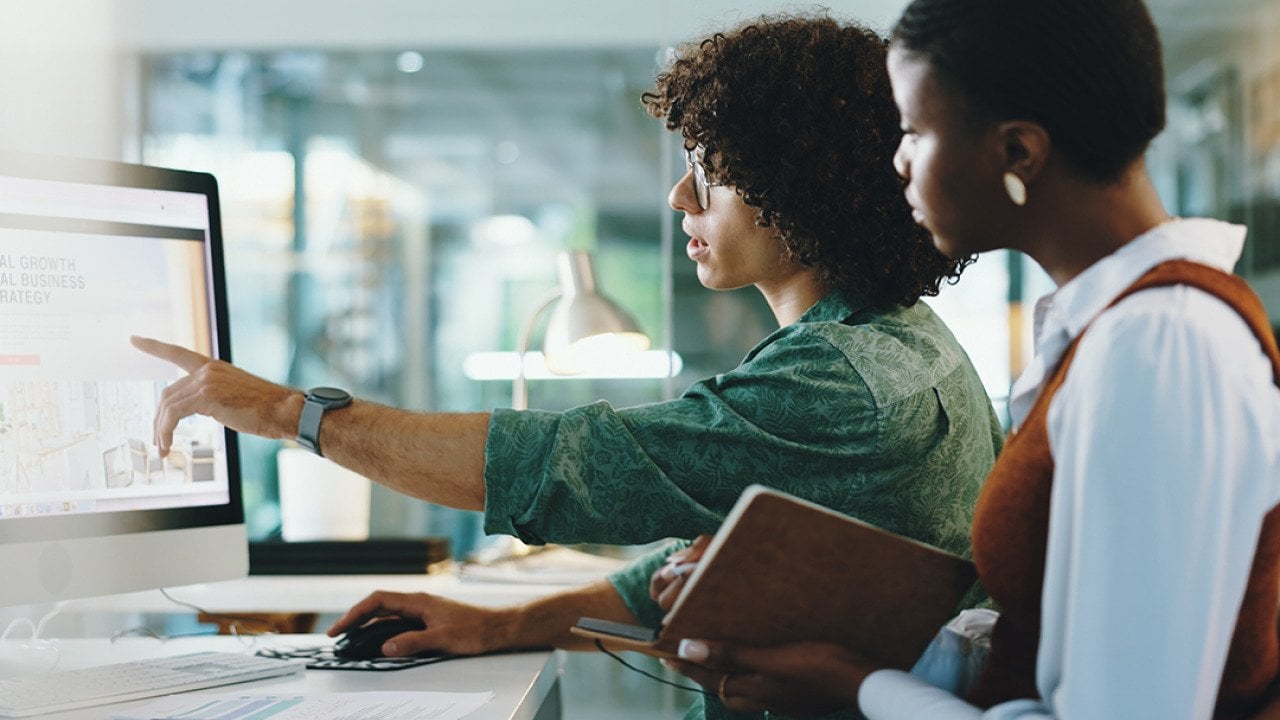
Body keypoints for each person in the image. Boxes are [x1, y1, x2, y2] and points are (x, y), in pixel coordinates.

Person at [133, 13, 1000, 719]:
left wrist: (292, 414)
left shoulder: (842, 385)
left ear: (799, 187)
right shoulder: (899, 344)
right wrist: (499, 624)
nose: (680, 198)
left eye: (710, 171)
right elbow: (721, 572)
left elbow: (562, 468)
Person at [662, 1, 1280, 718]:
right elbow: (1061, 656)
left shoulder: (1156, 345)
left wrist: (856, 686)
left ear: (1019, 152)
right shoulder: (1111, 331)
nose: (897, 163)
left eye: (917, 132)